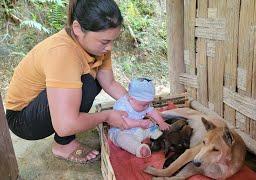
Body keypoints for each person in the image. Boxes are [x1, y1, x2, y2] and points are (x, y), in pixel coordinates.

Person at [5, 0, 134, 163]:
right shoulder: (63, 52)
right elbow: (65, 125)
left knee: (93, 82)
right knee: (86, 84)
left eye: (112, 40)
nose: (110, 48)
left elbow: (109, 83)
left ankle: (66, 134)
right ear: (78, 29)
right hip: (23, 119)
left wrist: (137, 105)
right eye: (105, 41)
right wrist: (106, 116)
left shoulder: (98, 47)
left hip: (43, 105)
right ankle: (63, 145)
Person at [108, 77, 170, 158]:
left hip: (139, 129)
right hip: (123, 130)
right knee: (122, 139)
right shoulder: (122, 105)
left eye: (148, 104)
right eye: (144, 105)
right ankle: (139, 148)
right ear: (131, 98)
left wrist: (161, 122)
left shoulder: (143, 104)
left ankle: (160, 139)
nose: (146, 107)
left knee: (152, 126)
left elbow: (152, 111)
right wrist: (139, 123)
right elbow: (123, 122)